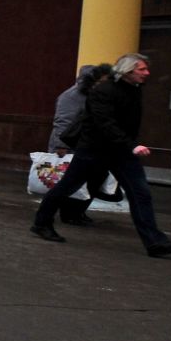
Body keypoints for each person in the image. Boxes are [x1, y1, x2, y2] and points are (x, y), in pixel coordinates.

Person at [30, 53, 171, 257]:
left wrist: (129, 146)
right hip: (94, 150)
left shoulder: (134, 89)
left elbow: (126, 123)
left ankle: (155, 243)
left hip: (121, 151)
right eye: (141, 69)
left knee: (140, 193)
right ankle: (41, 223)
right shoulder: (103, 91)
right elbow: (105, 123)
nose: (147, 73)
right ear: (127, 70)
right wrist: (131, 145)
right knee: (66, 187)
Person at [49, 63, 113, 226]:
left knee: (92, 181)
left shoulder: (97, 95)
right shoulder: (71, 96)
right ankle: (68, 213)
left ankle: (77, 211)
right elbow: (63, 122)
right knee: (72, 181)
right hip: (72, 146)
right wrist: (61, 146)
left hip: (92, 145)